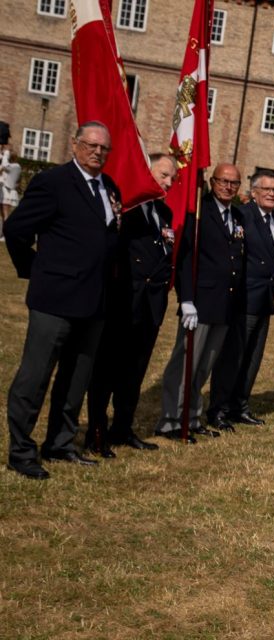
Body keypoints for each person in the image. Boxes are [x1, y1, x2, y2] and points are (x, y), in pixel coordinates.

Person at [4, 122, 120, 479]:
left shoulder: (109, 187)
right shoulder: (53, 183)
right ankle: (21, 451)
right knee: (36, 376)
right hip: (55, 298)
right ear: (74, 144)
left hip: (94, 300)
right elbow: (15, 229)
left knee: (76, 379)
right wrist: (36, 270)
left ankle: (60, 443)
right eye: (91, 145)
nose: (98, 152)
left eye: (104, 148)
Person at [84, 153, 177, 457]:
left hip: (151, 306)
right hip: (124, 301)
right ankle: (96, 431)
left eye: (172, 177)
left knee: (134, 373)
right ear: (146, 173)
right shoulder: (126, 208)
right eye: (163, 175)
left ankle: (122, 427)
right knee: (107, 370)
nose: (168, 182)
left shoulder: (163, 212)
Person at [154, 163, 247, 442]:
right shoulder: (199, 213)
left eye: (234, 183)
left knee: (204, 365)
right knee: (185, 364)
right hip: (201, 302)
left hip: (224, 303)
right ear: (212, 182)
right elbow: (185, 257)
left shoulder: (238, 215)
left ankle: (192, 417)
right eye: (223, 181)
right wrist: (187, 299)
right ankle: (171, 420)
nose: (228, 187)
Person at [207, 170, 274, 430]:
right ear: (253, 192)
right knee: (233, 356)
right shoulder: (244, 215)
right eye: (265, 189)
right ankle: (218, 409)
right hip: (244, 298)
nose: (271, 194)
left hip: (265, 299)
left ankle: (239, 405)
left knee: (253, 358)